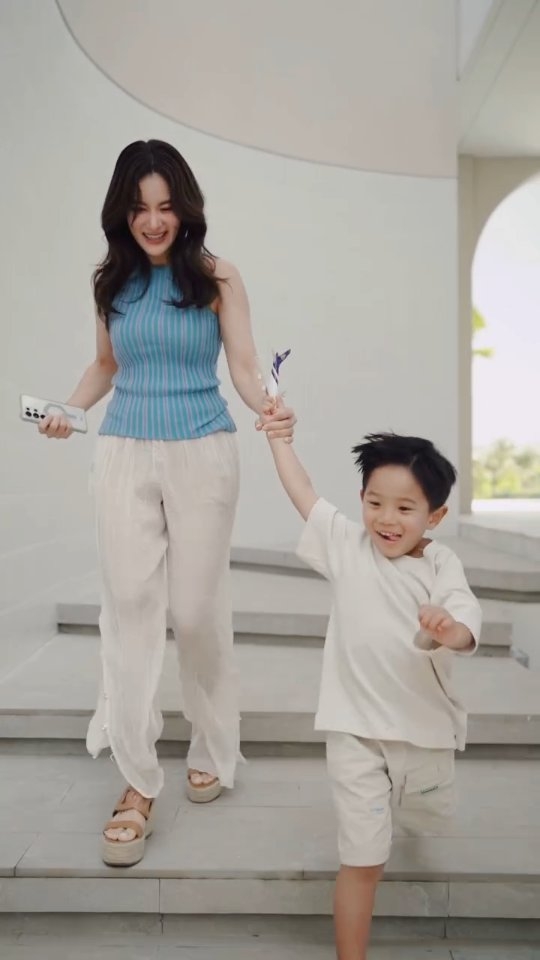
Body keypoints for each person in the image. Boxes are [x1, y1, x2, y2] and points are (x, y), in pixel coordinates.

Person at [39, 139, 296, 867]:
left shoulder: (217, 276)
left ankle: (212, 744)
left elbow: (244, 365)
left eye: (165, 206)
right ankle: (136, 780)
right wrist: (68, 409)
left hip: (203, 451)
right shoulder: (110, 281)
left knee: (195, 610)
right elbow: (105, 364)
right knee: (128, 609)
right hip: (123, 451)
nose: (153, 221)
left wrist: (270, 404)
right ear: (121, 213)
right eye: (139, 208)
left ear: (185, 208)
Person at [263, 430, 482, 960]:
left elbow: (464, 622)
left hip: (423, 731)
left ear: (434, 516)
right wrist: (279, 439)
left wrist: (448, 627)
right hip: (354, 730)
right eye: (375, 503)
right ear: (361, 499)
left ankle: (408, 816)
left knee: (425, 817)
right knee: (363, 859)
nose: (386, 519)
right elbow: (303, 492)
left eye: (405, 508)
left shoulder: (441, 565)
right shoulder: (347, 546)